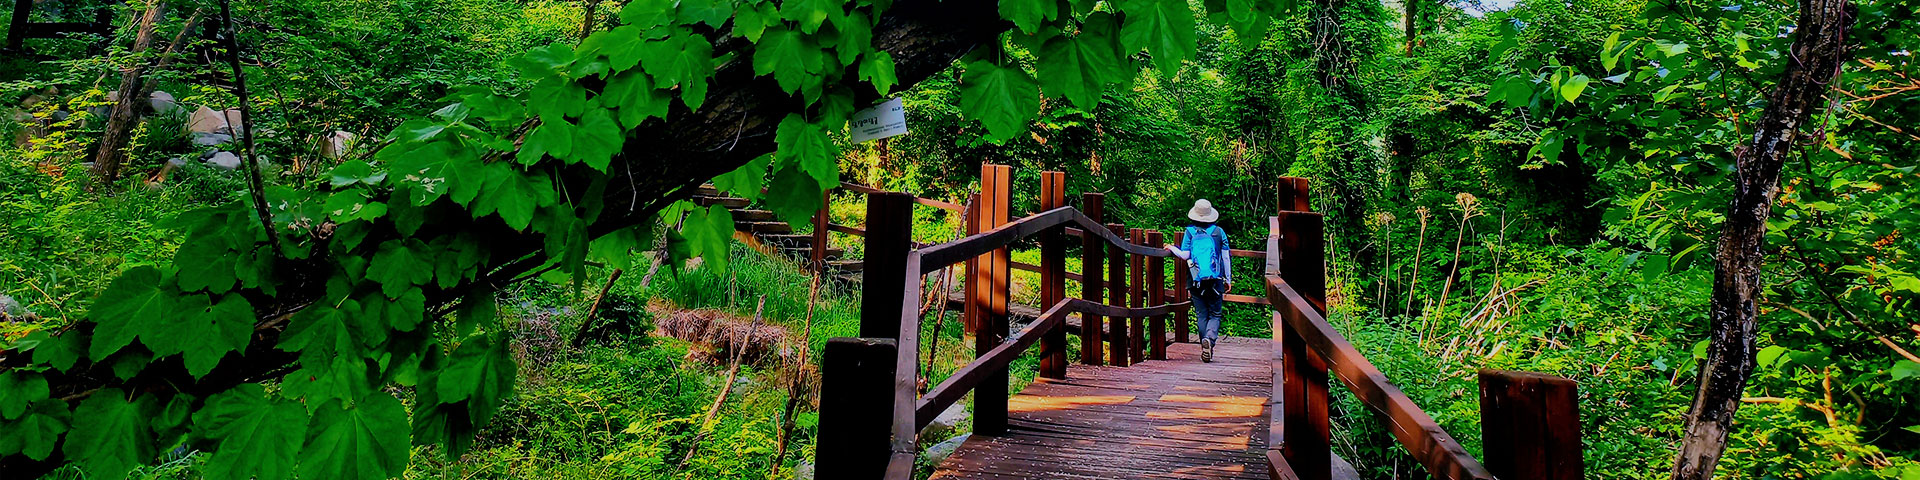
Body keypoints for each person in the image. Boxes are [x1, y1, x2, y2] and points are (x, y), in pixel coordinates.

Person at [1164, 199, 1231, 363]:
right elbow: (1225, 257)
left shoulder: (1190, 232)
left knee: (1201, 314)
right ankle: (1210, 338)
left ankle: (1204, 344)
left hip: (1196, 280)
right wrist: (1227, 279)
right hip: (1215, 280)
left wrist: (1171, 248)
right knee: (1215, 313)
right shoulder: (1218, 232)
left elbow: (1185, 255)